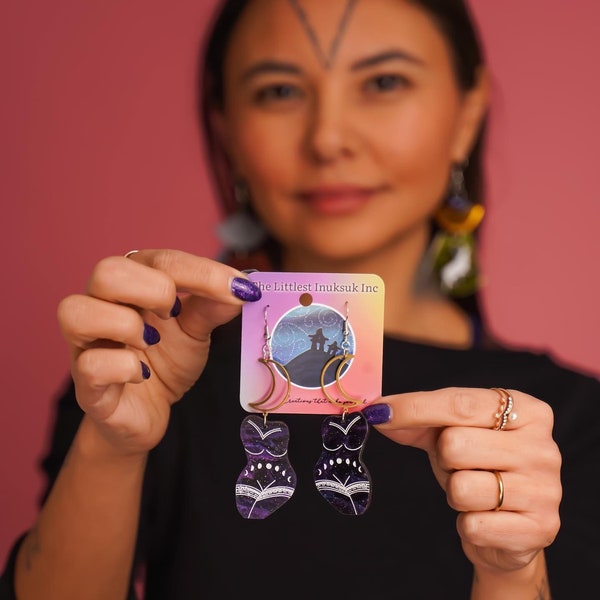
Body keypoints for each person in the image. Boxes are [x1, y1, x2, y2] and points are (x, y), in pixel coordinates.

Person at [2, 0, 599, 598]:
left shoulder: (567, 421)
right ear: (227, 128)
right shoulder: (143, 370)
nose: (328, 138)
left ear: (466, 116)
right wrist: (112, 445)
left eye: (385, 82)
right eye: (280, 91)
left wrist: (510, 569)